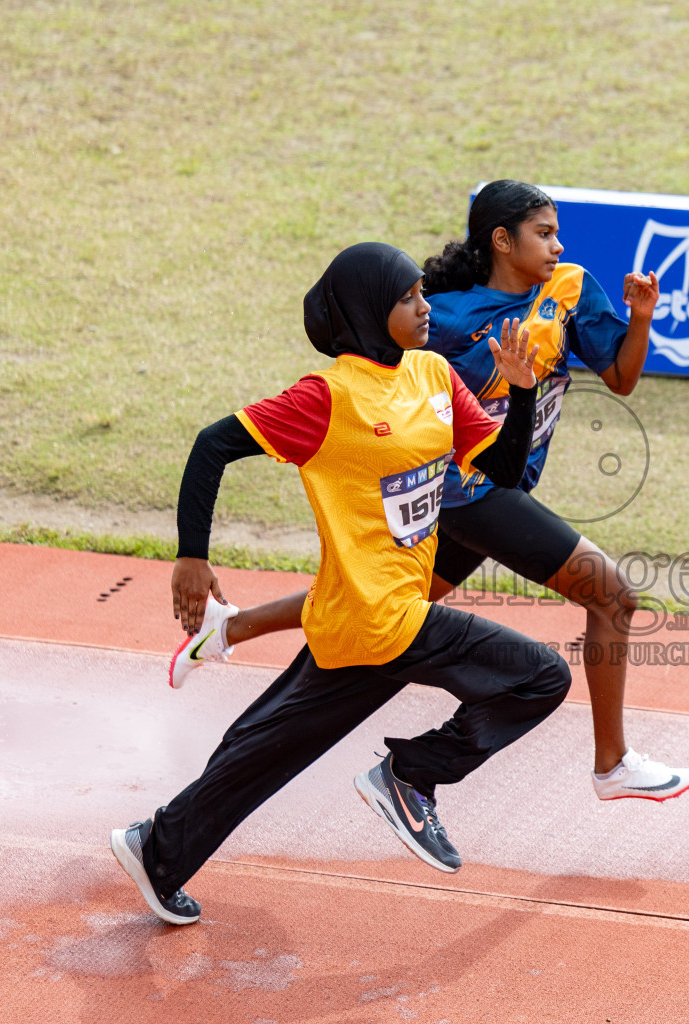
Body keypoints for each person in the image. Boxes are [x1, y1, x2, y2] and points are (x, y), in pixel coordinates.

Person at [170, 181, 689, 802]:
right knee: (612, 595)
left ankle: (228, 630)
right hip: (466, 489)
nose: (559, 244)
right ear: (502, 241)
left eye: (557, 232)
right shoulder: (444, 317)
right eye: (544, 233)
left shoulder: (572, 288)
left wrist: (641, 318)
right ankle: (611, 763)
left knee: (395, 603)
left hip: (488, 484)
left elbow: (623, 378)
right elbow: (378, 369)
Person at [112, 242, 571, 926]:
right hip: (383, 619)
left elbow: (500, 471)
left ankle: (158, 849)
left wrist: (523, 386)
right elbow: (213, 445)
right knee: (541, 678)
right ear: (366, 309)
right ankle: (411, 775)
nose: (425, 308)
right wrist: (190, 556)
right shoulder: (326, 398)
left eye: (424, 294)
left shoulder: (434, 376)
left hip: (366, 611)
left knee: (271, 744)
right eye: (409, 298)